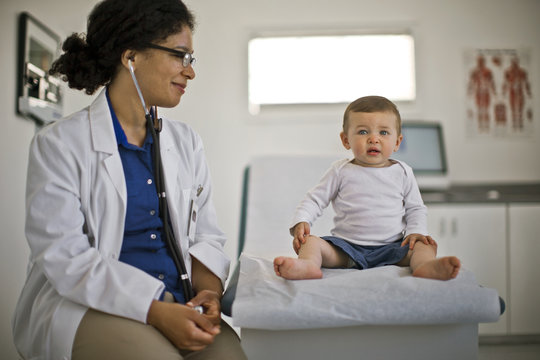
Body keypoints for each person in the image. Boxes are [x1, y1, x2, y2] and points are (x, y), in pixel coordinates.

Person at [11, 1, 246, 359]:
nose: (190, 72)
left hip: (181, 301)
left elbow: (207, 236)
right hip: (91, 305)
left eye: (190, 59)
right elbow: (64, 257)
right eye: (180, 55)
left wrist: (209, 294)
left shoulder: (186, 142)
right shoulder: (59, 143)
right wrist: (154, 310)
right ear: (131, 57)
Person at [273, 96, 461, 281]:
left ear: (397, 142)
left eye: (384, 133)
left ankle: (425, 266)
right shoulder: (340, 171)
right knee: (311, 243)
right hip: (346, 249)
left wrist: (415, 232)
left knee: (423, 246)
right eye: (363, 132)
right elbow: (315, 199)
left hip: (393, 248)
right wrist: (302, 220)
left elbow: (415, 208)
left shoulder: (403, 172)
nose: (374, 139)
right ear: (346, 140)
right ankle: (308, 265)